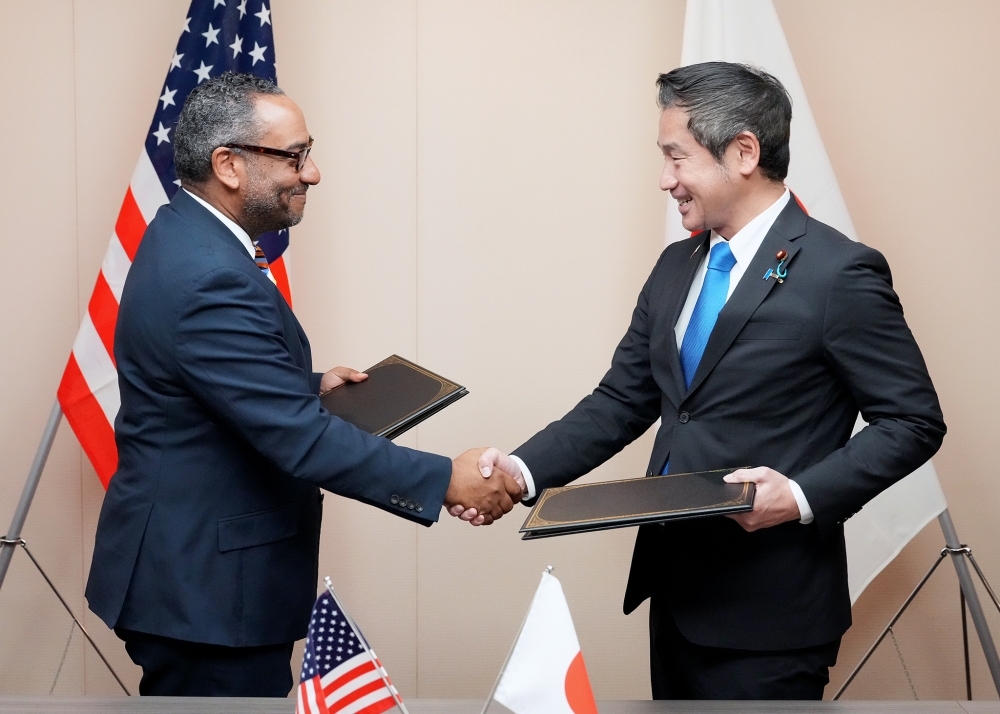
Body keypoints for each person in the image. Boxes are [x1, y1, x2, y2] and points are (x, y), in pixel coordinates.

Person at [457, 62, 946, 699]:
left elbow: (914, 421)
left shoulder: (839, 274)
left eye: (676, 158)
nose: (666, 181)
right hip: (680, 598)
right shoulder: (675, 265)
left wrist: (798, 495)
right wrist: (519, 472)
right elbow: (621, 400)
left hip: (772, 614)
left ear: (742, 151)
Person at [85, 72, 521, 698]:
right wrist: (443, 479)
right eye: (294, 156)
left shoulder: (184, 233)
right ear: (228, 164)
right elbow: (297, 440)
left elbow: (204, 378)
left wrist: (308, 385)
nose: (311, 173)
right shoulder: (212, 274)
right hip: (206, 595)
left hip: (192, 578)